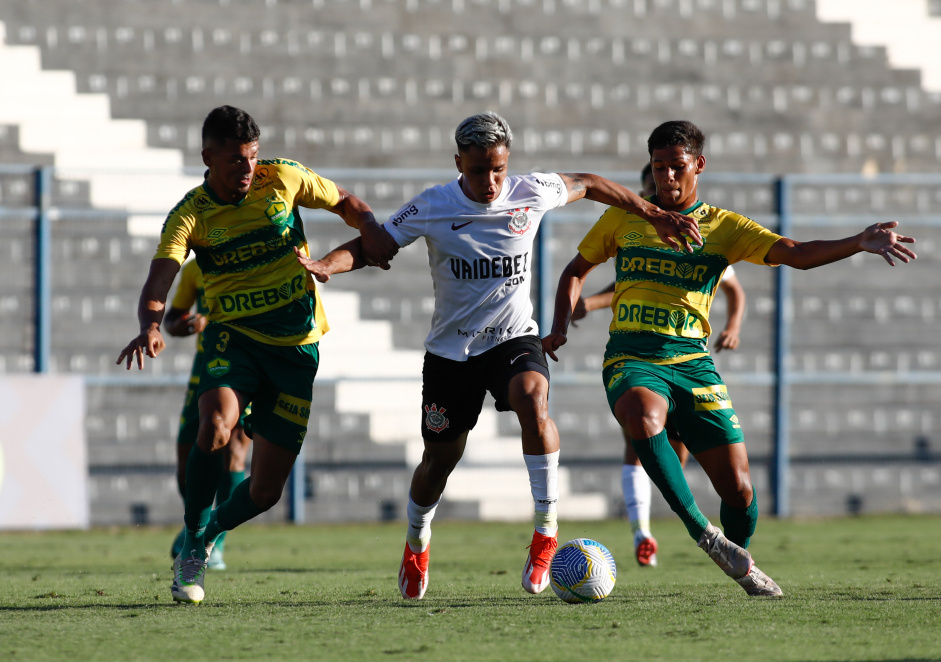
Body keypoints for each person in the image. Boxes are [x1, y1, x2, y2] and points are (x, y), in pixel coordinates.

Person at [294, 111, 702, 600]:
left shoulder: (530, 191)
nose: (489, 182)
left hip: (512, 340)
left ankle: (545, 533)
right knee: (438, 462)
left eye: (498, 170)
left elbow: (591, 183)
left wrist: (652, 213)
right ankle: (416, 543)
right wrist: (326, 265)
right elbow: (371, 244)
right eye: (477, 170)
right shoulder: (433, 205)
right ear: (458, 163)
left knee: (533, 397)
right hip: (451, 354)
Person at [543, 120, 915, 597]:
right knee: (640, 414)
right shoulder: (625, 216)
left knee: (740, 493)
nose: (667, 179)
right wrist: (558, 326)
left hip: (693, 363)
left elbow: (795, 253)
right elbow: (575, 271)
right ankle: (705, 536)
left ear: (698, 165)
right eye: (659, 168)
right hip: (632, 354)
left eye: (677, 168)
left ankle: (739, 556)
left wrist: (856, 243)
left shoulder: (723, 226)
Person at [116, 105, 396, 604]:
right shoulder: (191, 214)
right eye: (233, 160)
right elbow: (161, 276)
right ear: (207, 158)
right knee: (215, 426)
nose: (246, 168)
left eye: (251, 157)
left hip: (296, 347)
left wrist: (369, 225)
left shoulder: (283, 178)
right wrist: (150, 325)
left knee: (266, 493)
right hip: (235, 338)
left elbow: (346, 201)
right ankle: (193, 542)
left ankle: (207, 536)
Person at [571, 163, 747, 568]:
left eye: (668, 180)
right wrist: (586, 304)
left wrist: (733, 325)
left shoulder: (702, 232)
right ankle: (643, 532)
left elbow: (733, 289)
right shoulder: (633, 224)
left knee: (682, 457)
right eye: (652, 186)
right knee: (638, 436)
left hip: (686, 359)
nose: (661, 191)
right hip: (638, 357)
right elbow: (623, 281)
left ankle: (700, 536)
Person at [163, 258, 252, 571]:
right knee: (188, 458)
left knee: (235, 449)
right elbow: (172, 319)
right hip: (206, 367)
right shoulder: (194, 268)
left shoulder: (254, 256)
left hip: (247, 365)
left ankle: (215, 544)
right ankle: (195, 531)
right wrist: (186, 324)